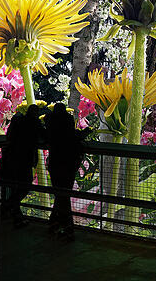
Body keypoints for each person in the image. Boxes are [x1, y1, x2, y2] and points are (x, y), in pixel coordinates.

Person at [44, 102, 90, 240]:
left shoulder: (51, 127)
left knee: (59, 193)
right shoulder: (68, 125)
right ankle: (66, 226)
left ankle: (55, 223)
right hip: (69, 163)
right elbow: (77, 136)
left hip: (55, 162)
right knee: (63, 195)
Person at [0, 104, 44, 228]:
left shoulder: (18, 122)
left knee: (13, 186)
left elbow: (9, 137)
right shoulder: (34, 123)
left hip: (11, 159)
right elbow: (44, 137)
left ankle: (11, 213)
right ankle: (9, 207)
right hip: (24, 160)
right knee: (24, 185)